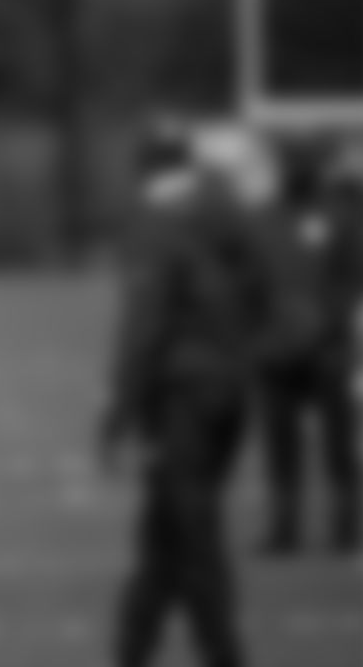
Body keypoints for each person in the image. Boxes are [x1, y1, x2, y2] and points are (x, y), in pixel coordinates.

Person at [100, 123, 289, 667]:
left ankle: (221, 654)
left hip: (181, 398)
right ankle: (132, 651)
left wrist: (119, 413)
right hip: (229, 395)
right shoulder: (230, 213)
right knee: (166, 536)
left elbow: (144, 325)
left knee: (191, 540)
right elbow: (268, 292)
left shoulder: (155, 223)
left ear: (143, 169)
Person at [255, 130, 363, 555]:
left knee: (340, 443)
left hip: (329, 348)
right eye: (290, 163)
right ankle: (284, 526)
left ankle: (347, 524)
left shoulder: (341, 215)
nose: (296, 170)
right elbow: (247, 281)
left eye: (303, 163)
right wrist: (262, 328)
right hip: (275, 350)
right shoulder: (263, 217)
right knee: (280, 445)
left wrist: (329, 317)